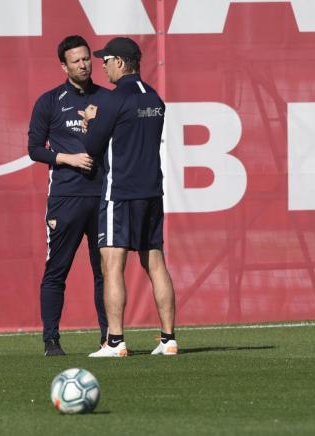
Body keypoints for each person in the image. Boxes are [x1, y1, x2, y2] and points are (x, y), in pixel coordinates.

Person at [81, 37, 177, 357]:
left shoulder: (112, 100)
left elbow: (92, 147)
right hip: (151, 190)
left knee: (112, 265)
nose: (103, 66)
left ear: (120, 63)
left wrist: (90, 122)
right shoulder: (155, 97)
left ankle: (116, 341)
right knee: (155, 262)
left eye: (106, 60)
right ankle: (168, 339)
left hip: (119, 192)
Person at [28, 35, 109, 356]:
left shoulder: (107, 99)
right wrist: (68, 158)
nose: (84, 64)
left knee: (105, 271)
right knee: (56, 270)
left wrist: (95, 130)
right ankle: (51, 340)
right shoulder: (49, 101)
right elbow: (34, 149)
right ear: (64, 65)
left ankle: (110, 338)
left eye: (87, 58)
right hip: (66, 196)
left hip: (103, 195)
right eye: (76, 60)